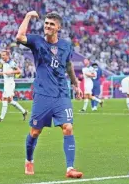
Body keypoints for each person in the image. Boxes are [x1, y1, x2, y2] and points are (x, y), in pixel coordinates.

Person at [16, 11, 83, 178]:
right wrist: (28, 17)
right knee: (35, 132)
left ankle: (70, 169)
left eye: (51, 24)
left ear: (58, 27)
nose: (47, 26)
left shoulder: (66, 45)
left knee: (68, 127)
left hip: (61, 94)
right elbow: (19, 37)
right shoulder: (36, 41)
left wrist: (76, 85)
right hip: (43, 94)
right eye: (46, 23)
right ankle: (29, 160)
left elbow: (68, 66)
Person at [0, 50, 28, 122]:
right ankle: (24, 111)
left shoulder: (11, 63)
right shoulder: (5, 63)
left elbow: (19, 71)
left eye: (3, 55)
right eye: (2, 55)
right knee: (10, 100)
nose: (2, 56)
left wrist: (11, 72)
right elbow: (5, 73)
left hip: (10, 84)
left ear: (7, 56)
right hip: (7, 84)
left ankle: (1, 118)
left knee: (4, 99)